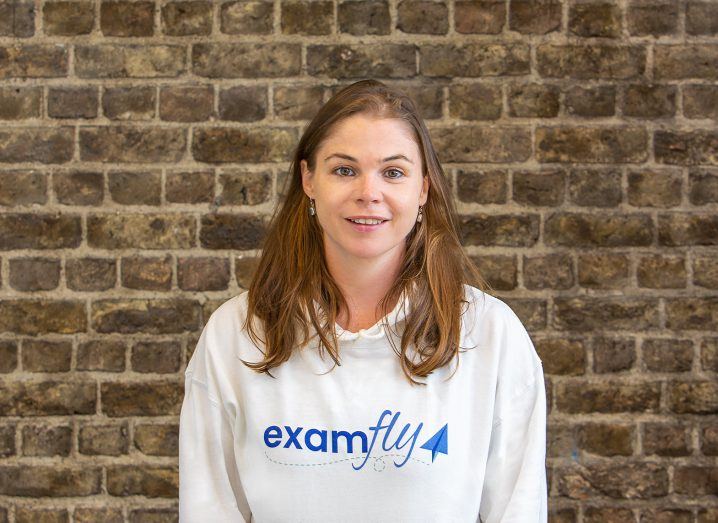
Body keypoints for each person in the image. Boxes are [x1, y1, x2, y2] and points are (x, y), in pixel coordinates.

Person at [178, 79, 547, 522]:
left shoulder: (490, 334)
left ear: (423, 190)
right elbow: (209, 509)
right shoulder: (236, 333)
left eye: (393, 172)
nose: (369, 192)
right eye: (345, 170)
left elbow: (518, 511)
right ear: (308, 180)